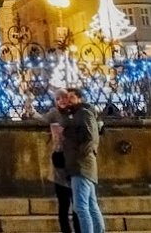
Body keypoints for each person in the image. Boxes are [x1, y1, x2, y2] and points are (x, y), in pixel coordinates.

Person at [61, 88, 105, 233]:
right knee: (91, 205)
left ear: (80, 99)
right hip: (81, 165)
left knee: (81, 207)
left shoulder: (84, 113)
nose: (68, 100)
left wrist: (78, 157)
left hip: (81, 166)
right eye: (67, 98)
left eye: (72, 97)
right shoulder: (76, 114)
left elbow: (91, 139)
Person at [43, 89, 80, 233]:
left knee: (77, 202)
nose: (61, 101)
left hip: (73, 160)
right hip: (60, 158)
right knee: (63, 202)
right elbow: (43, 120)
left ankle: (78, 228)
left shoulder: (74, 113)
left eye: (64, 98)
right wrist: (30, 110)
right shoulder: (54, 113)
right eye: (58, 99)